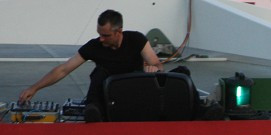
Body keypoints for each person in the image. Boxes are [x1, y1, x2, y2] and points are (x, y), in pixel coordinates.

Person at [18, 9, 163, 123]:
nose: (101, 39)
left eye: (106, 35)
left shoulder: (136, 39)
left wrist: (154, 68)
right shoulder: (94, 46)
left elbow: (157, 64)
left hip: (133, 92)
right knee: (99, 72)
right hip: (108, 95)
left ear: (119, 32)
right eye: (99, 34)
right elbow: (63, 69)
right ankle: (93, 110)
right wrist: (35, 87)